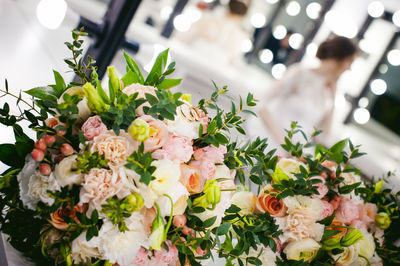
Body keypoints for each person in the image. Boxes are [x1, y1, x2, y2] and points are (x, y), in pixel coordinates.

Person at [252, 36, 358, 150]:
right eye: (349, 61)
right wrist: (281, 140)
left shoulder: (329, 91)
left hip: (298, 150)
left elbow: (323, 136)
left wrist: (333, 101)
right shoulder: (300, 73)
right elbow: (262, 104)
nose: (349, 69)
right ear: (337, 58)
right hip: (271, 141)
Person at [176, 0, 251, 65]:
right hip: (215, 68)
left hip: (192, 57)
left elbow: (183, 37)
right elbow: (234, 60)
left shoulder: (209, 18)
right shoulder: (240, 36)